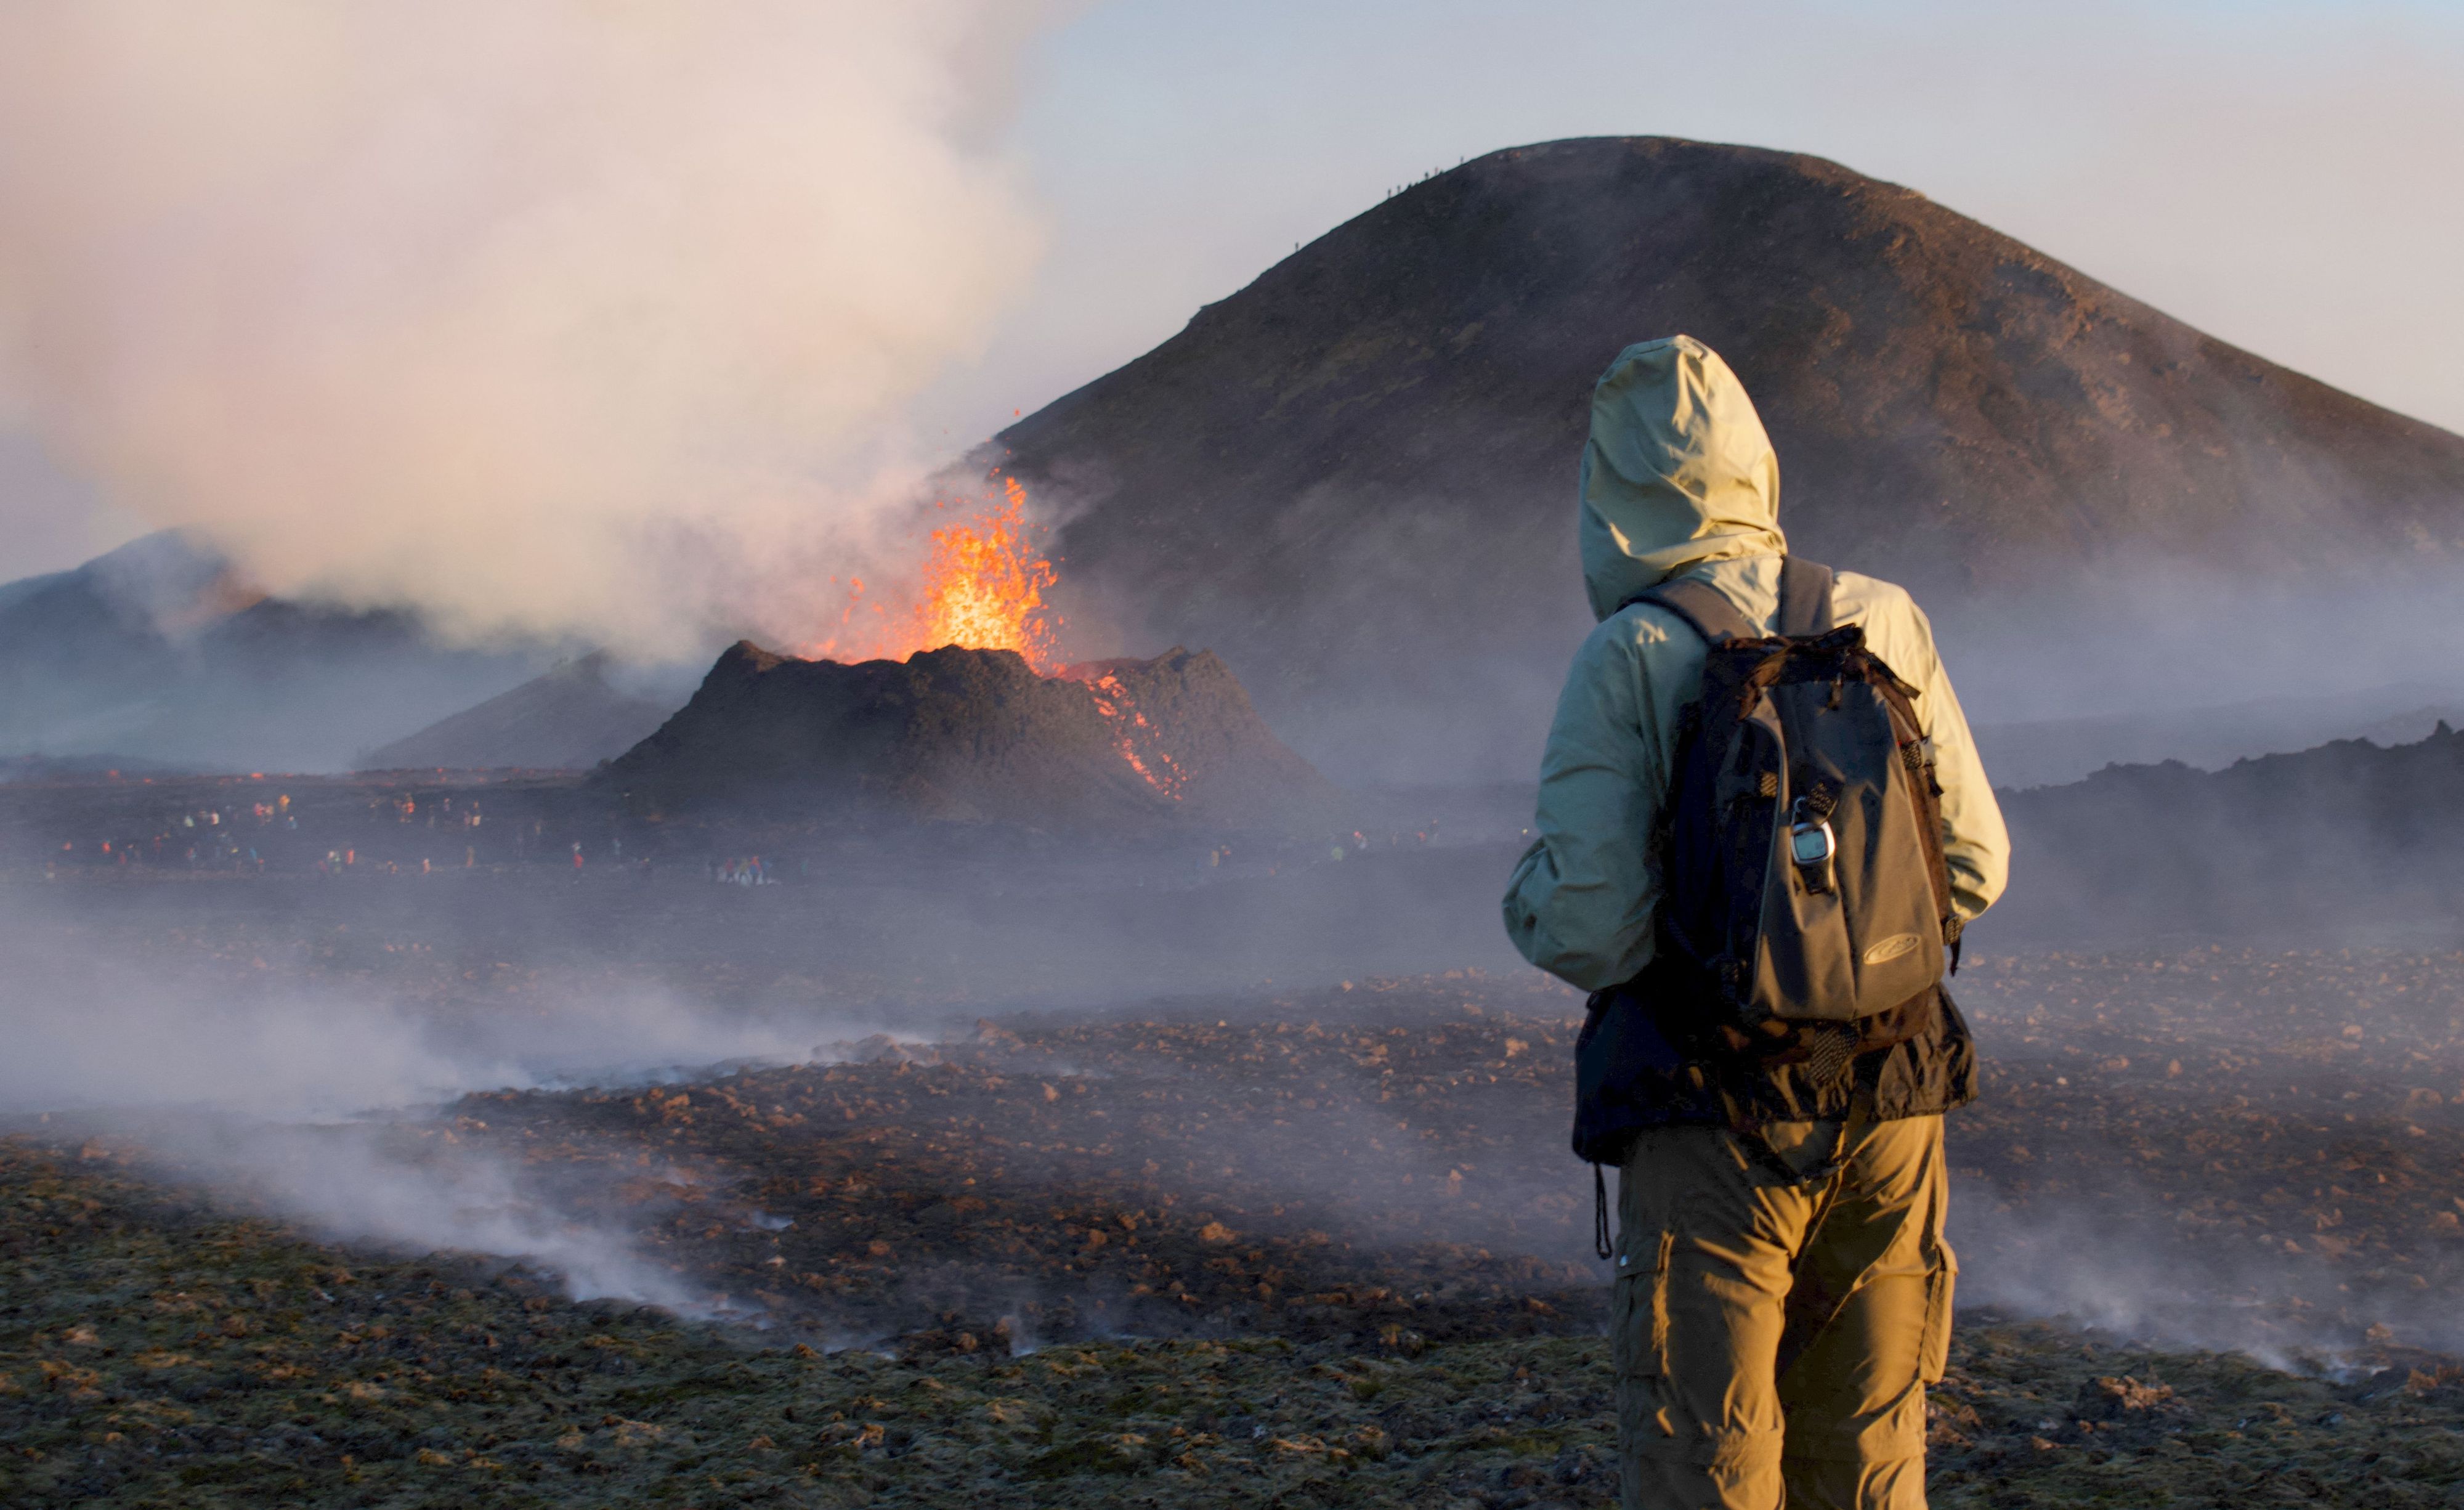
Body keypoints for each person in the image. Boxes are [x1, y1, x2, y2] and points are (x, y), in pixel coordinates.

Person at [1502, 336, 2009, 1510]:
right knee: (1871, 1458)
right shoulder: (1883, 617)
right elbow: (1973, 867)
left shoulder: (1632, 653)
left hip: (1715, 1116)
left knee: (1709, 1467)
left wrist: (1525, 896)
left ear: (1610, 492)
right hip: (1892, 1108)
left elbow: (1591, 926)